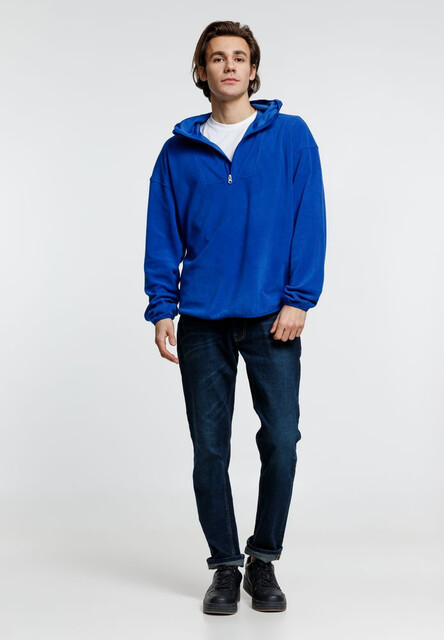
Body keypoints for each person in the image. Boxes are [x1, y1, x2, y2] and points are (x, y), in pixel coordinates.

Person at [143, 20, 327, 615]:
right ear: (202, 72)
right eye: (217, 57)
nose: (229, 66)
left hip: (273, 317)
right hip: (201, 319)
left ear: (253, 70)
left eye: (239, 57)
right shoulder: (177, 152)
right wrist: (162, 307)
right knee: (209, 449)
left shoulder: (290, 136)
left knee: (282, 440)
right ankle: (224, 566)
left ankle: (263, 559)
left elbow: (309, 218)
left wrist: (299, 298)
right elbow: (162, 233)